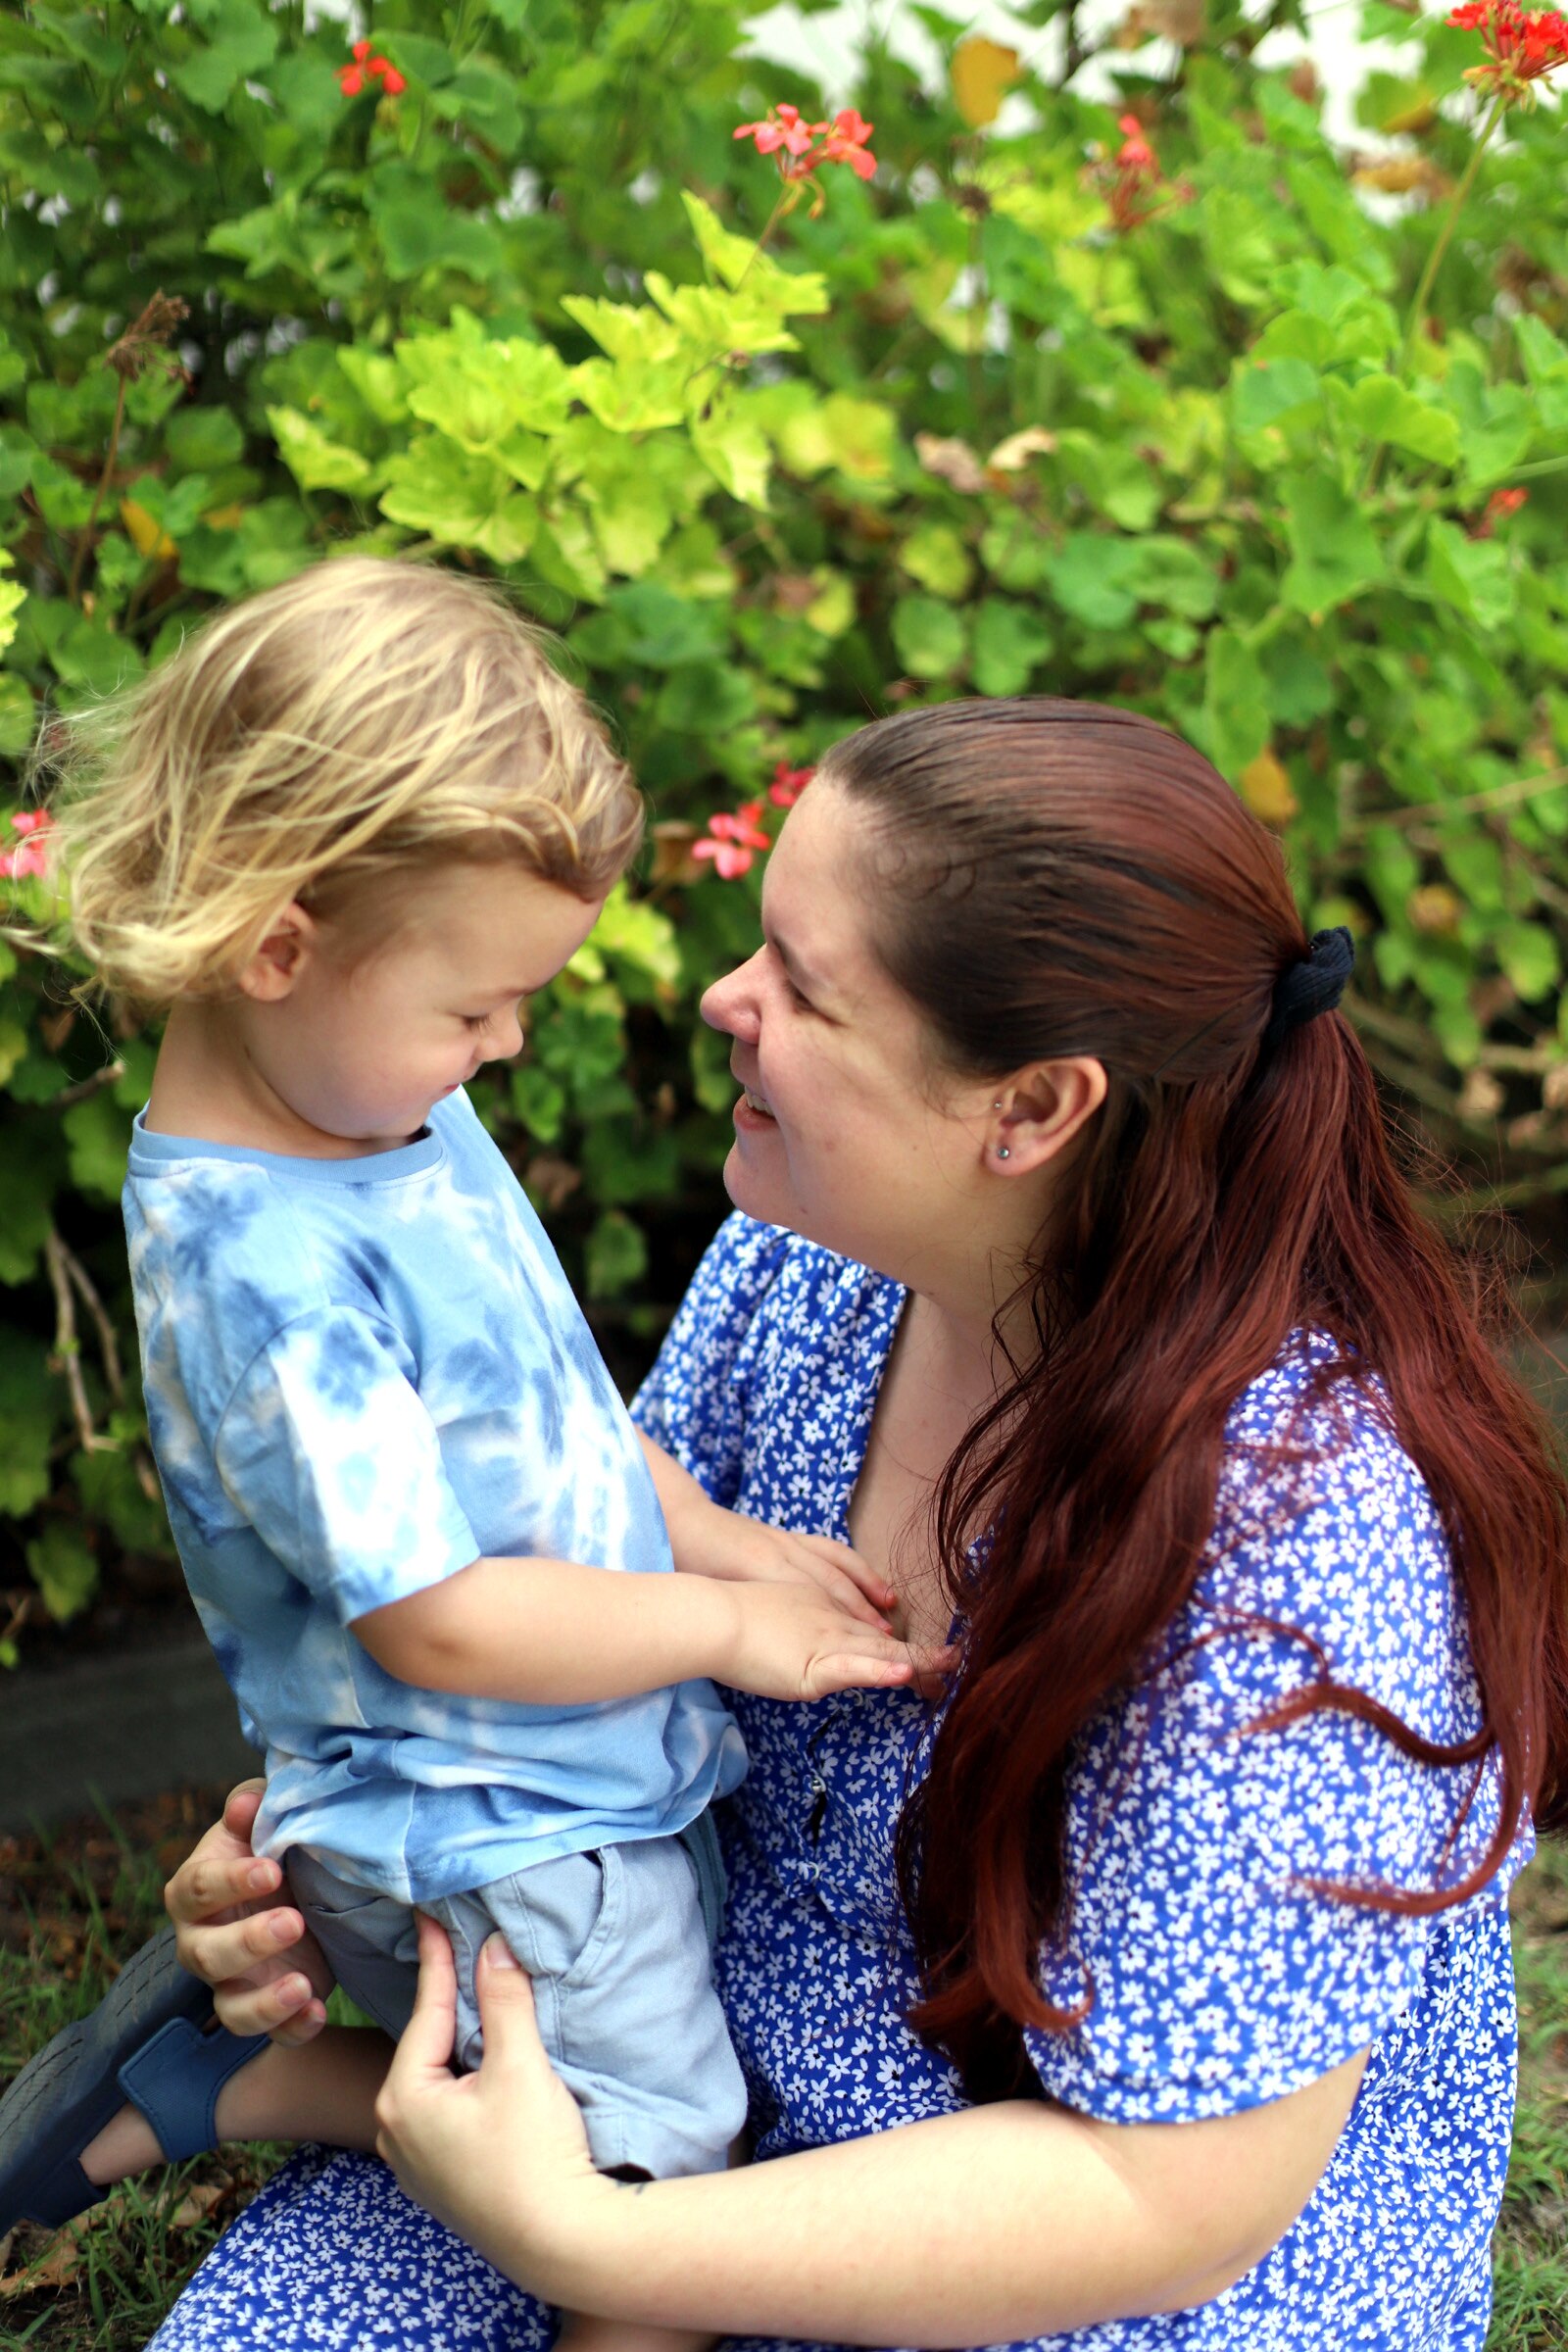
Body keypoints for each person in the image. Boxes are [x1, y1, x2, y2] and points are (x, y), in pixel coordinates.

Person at [19, 697, 1568, 2348]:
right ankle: (273, 2075)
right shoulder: (810, 1254)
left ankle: (330, 2113)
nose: (720, 1001)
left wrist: (597, 2250)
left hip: (1062, 2244)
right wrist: (364, 1835)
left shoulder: (1304, 1536)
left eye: (804, 990)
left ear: (1033, 1110)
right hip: (685, 2038)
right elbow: (561, 1579)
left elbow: (1178, 2203)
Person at [0, 560, 940, 2352]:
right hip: (492, 1822)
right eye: (475, 1004)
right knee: (652, 2190)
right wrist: (730, 1637)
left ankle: (239, 2086)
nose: (507, 1043)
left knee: (580, 2112)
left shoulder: (380, 1102)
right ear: (280, 945)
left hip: (549, 1781)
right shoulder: (265, 1268)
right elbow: (430, 1618)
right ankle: (271, 2094)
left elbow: (547, 1418)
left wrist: (713, 1536)